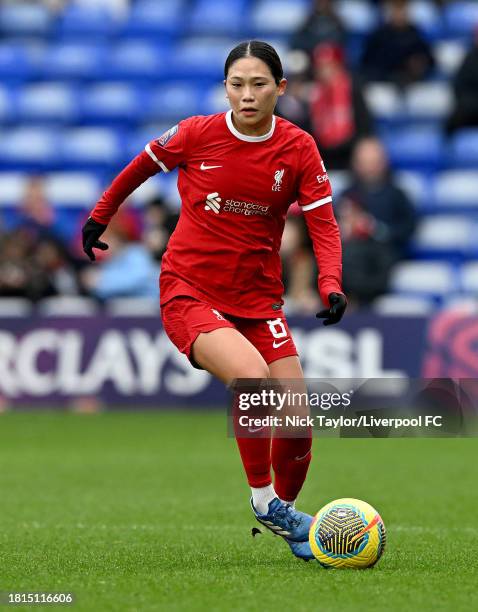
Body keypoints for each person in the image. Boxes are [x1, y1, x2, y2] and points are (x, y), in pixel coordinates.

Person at [81, 41, 346, 561]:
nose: (247, 95)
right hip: (190, 290)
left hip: (260, 300)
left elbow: (324, 226)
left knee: (297, 421)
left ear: (281, 88)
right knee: (253, 381)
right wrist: (99, 214)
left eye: (259, 84)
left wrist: (331, 282)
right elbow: (138, 167)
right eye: (237, 84)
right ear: (225, 88)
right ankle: (265, 502)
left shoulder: (298, 148)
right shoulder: (196, 133)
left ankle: (289, 520)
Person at [337, 137, 417, 305]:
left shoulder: (397, 195)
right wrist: (347, 228)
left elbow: (408, 228)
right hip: (351, 254)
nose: (369, 167)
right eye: (364, 162)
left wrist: (376, 229)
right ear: (356, 164)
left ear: (384, 163)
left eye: (374, 162)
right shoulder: (347, 194)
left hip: (383, 255)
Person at [360, 0, 434, 86]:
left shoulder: (416, 34)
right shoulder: (379, 35)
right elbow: (368, 63)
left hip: (413, 82)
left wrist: (420, 66)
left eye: (401, 10)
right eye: (396, 10)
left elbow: (429, 62)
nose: (399, 14)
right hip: (384, 83)